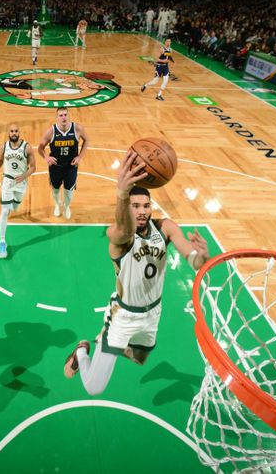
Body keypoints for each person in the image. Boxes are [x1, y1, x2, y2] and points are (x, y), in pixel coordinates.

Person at [63, 151, 209, 395]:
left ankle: (107, 344)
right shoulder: (117, 237)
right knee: (94, 388)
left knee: (139, 358)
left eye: (146, 205)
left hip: (152, 313)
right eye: (135, 206)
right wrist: (121, 193)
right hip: (124, 316)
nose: (142, 211)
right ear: (126, 208)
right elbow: (122, 229)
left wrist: (202, 256)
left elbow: (194, 261)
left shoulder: (165, 228)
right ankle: (82, 350)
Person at [0, 123, 36, 259]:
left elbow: (33, 168)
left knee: (15, 207)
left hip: (21, 182)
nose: (14, 133)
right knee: (4, 210)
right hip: (8, 182)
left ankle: (12, 204)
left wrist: (22, 177)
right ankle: (2, 241)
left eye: (16, 131)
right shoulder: (4, 147)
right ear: (8, 133)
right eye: (12, 131)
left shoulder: (27, 148)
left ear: (19, 132)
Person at [37, 108, 89, 219]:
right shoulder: (51, 131)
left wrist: (80, 156)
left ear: (68, 115)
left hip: (71, 167)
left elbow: (87, 140)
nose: (63, 117)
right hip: (56, 167)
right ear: (57, 117)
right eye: (61, 115)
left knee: (69, 192)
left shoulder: (77, 128)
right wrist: (46, 157)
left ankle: (66, 206)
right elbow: (40, 148)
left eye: (65, 115)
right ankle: (57, 204)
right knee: (55, 190)